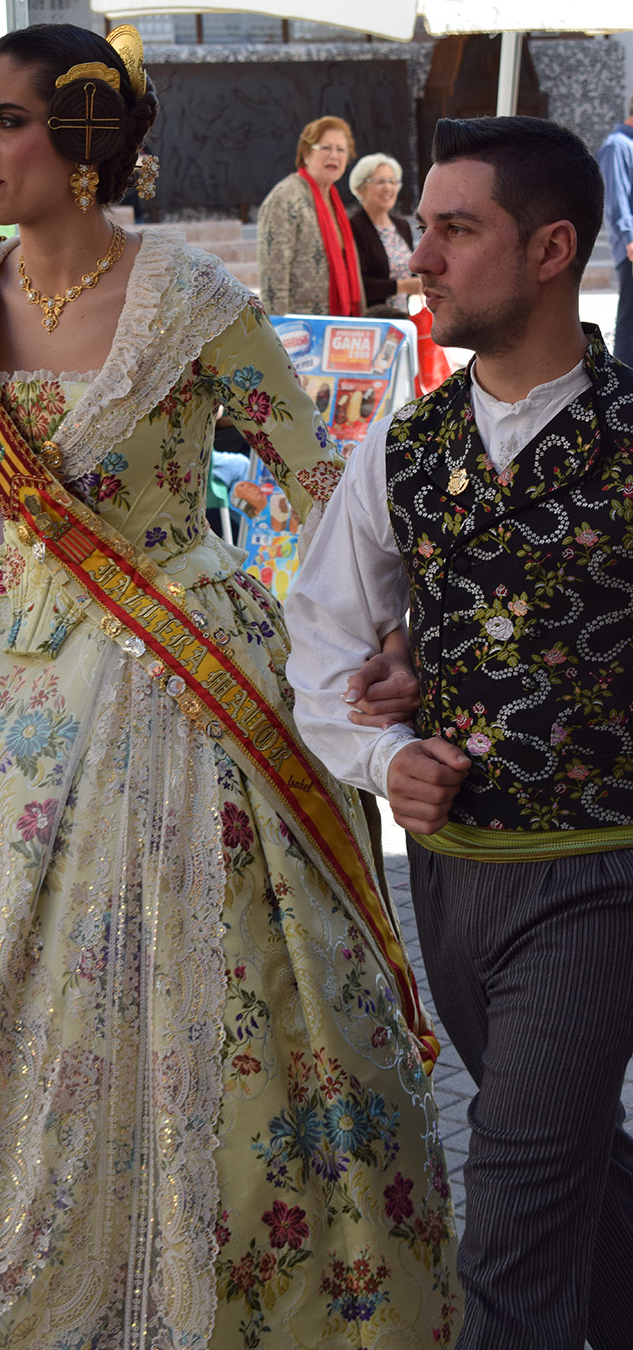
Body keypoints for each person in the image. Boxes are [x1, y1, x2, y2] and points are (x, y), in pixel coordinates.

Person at [0, 25, 460, 1348]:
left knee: (205, 1000)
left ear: (81, 139)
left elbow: (322, 487)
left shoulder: (194, 299)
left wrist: (381, 642)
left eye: (4, 121)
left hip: (178, 674)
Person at [286, 114, 633, 1350]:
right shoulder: (406, 446)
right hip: (453, 881)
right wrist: (390, 749)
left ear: (551, 249)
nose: (418, 257)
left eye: (454, 229)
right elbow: (321, 640)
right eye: (422, 226)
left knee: (517, 1201)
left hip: (599, 873)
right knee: (574, 1162)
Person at [257, 116, 364, 318]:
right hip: (300, 328)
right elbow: (273, 277)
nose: (334, 155)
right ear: (306, 153)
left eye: (341, 150)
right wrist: (277, 330)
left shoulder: (333, 200)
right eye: (326, 148)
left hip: (338, 325)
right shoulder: (285, 198)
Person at [348, 153, 422, 313]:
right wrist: (401, 286)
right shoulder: (354, 227)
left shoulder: (401, 225)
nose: (388, 187)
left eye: (392, 181)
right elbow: (357, 283)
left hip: (402, 315)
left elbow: (409, 272)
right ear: (361, 189)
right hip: (372, 317)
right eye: (380, 181)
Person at [597, 93, 633, 368]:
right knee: (630, 320)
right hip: (631, 249)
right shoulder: (616, 145)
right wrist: (629, 239)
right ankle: (624, 380)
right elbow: (616, 198)